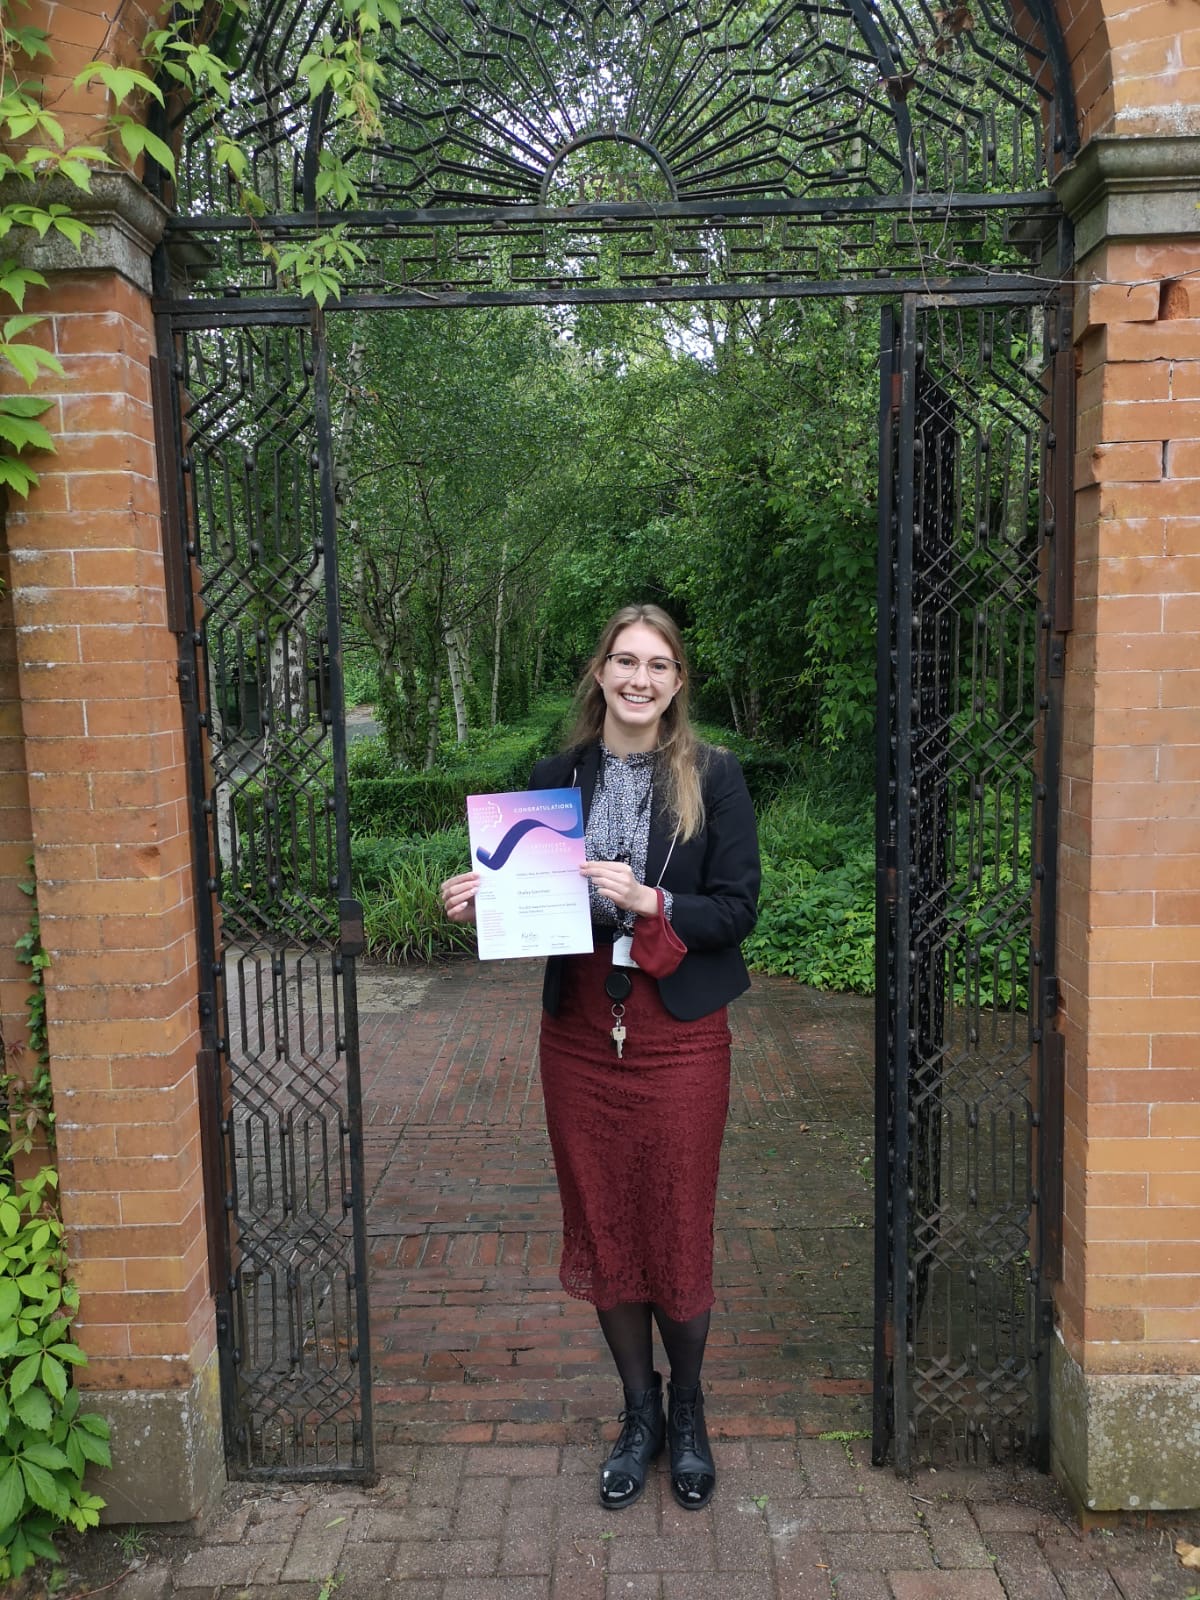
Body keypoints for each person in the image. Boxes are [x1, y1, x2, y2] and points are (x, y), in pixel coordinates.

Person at [440, 603, 760, 1511]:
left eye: (658, 665)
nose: (640, 679)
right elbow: (531, 907)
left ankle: (688, 1410)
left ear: (677, 682)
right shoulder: (554, 777)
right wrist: (477, 902)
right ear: (601, 671)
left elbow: (738, 909)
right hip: (580, 1034)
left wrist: (655, 901)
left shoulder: (716, 777)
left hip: (681, 1037)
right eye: (626, 660)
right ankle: (639, 1411)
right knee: (603, 1217)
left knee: (675, 1218)